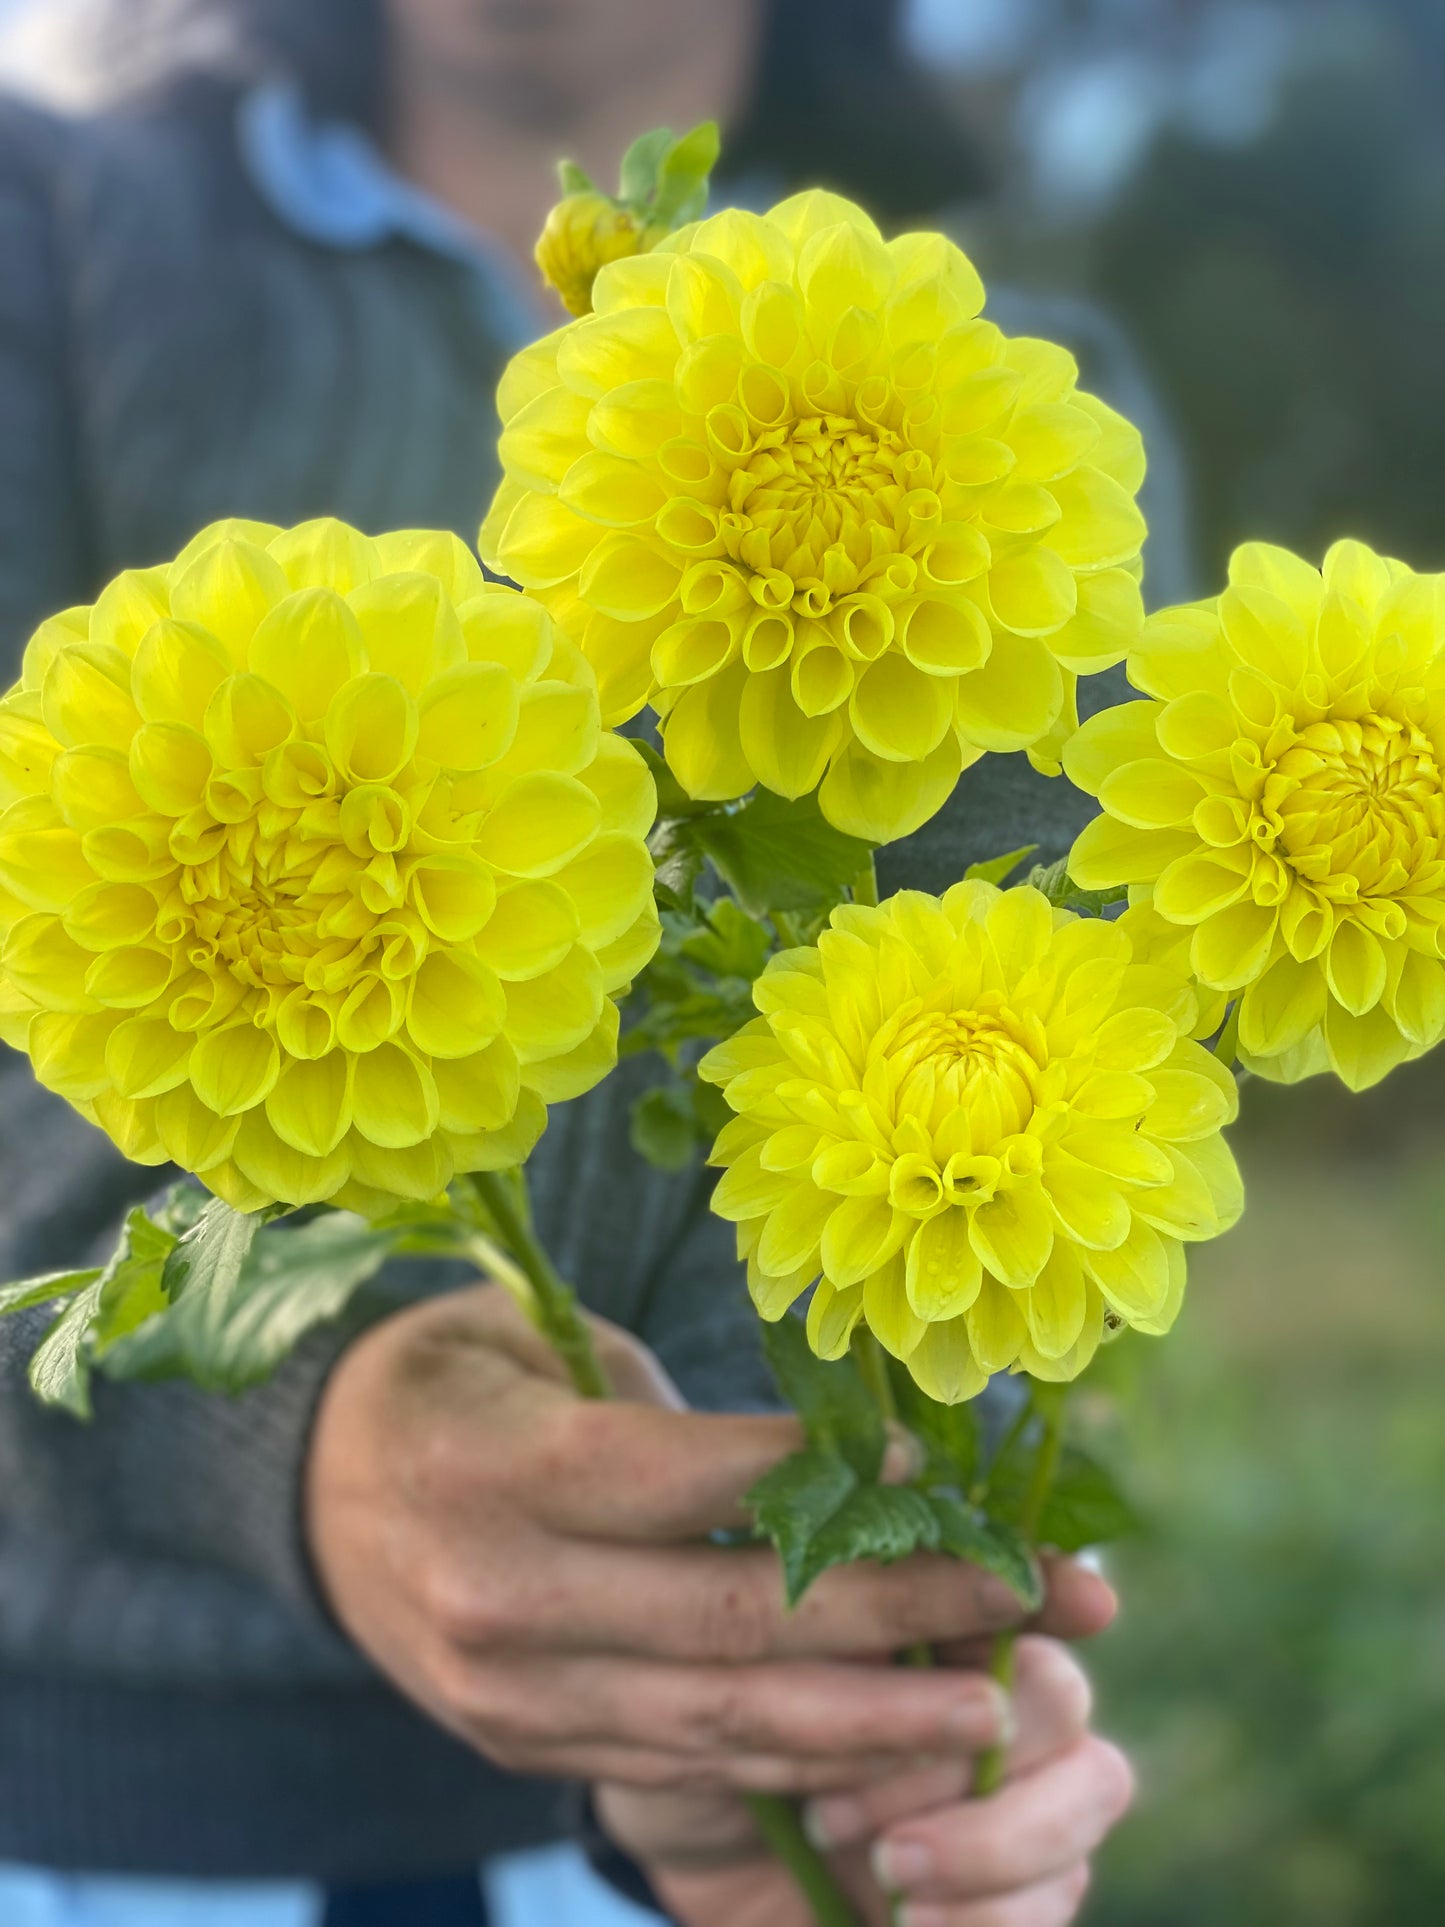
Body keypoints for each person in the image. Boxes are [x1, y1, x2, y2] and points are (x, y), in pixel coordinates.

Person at [0, 3, 1145, 1922]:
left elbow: (1040, 1144)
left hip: (683, 1855)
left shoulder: (1039, 392)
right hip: (103, 1832)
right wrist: (316, 1420)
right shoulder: (52, 221)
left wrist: (853, 1744)